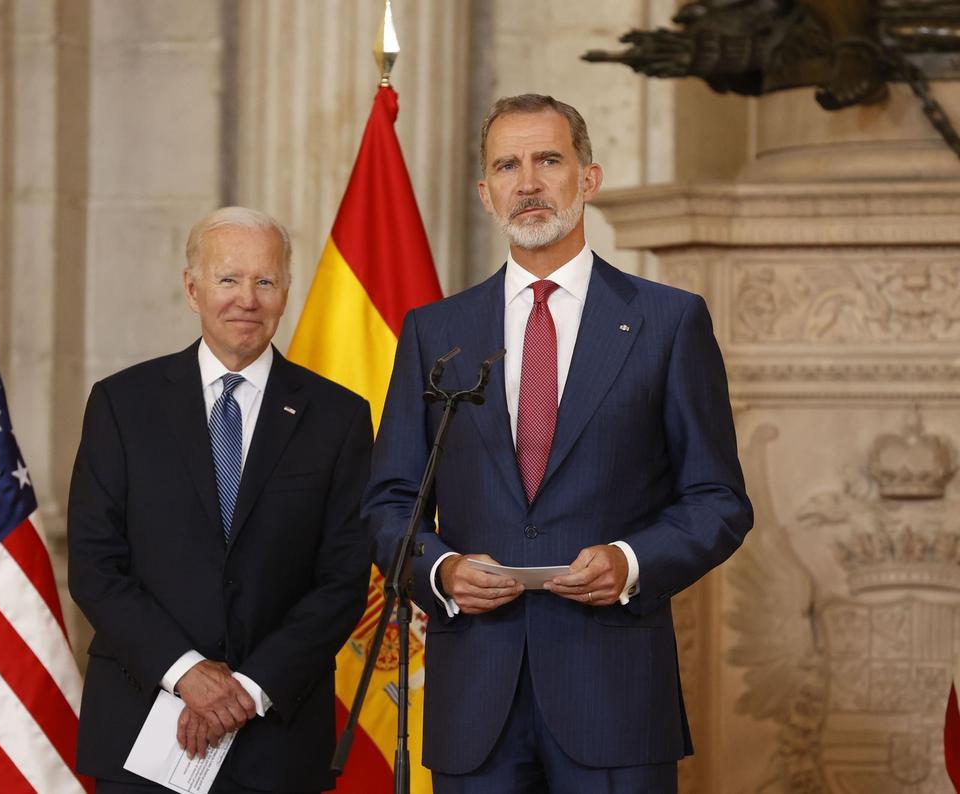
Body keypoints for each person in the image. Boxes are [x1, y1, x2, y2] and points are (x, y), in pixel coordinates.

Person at [364, 94, 753, 792]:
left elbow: (718, 499)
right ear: (487, 193)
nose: (529, 183)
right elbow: (391, 502)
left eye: (549, 160)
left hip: (614, 696)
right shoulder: (435, 332)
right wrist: (444, 572)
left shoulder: (668, 323)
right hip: (473, 697)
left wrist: (631, 562)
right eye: (507, 166)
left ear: (588, 178)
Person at [67, 207, 372, 793]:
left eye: (265, 281)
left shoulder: (339, 418)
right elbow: (95, 566)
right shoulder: (121, 405)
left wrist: (248, 689)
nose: (247, 300)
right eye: (228, 279)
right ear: (192, 288)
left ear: (286, 291)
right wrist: (186, 674)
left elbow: (343, 580)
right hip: (145, 729)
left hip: (277, 736)